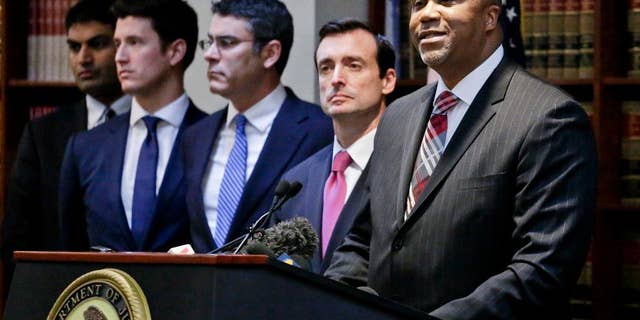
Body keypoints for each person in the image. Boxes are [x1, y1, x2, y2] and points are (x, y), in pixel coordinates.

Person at [325, 0, 598, 318]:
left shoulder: (549, 118)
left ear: (490, 17)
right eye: (417, 4)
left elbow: (542, 269)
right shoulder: (397, 115)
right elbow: (362, 239)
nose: (425, 14)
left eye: (446, 1)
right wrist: (335, 301)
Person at [183, 0, 333, 253]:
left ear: (270, 53)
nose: (209, 55)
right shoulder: (196, 136)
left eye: (227, 43)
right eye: (210, 42)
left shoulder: (320, 131)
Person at [1, 0, 130, 290]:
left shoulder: (160, 129)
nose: (83, 58)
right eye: (74, 47)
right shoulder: (43, 134)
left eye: (97, 44)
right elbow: (16, 239)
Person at [58, 0, 206, 252]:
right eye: (117, 44)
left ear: (175, 51)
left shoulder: (214, 139)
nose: (120, 57)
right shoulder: (85, 146)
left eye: (134, 43)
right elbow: (69, 250)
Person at [271, 19, 396, 274]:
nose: (336, 79)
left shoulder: (408, 165)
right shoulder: (295, 183)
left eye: (353, 65)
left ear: (387, 80)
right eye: (326, 68)